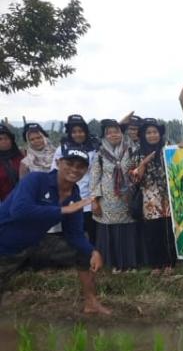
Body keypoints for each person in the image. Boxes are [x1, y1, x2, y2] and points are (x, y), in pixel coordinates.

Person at [0, 147, 110, 315]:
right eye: (69, 164)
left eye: (80, 166)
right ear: (58, 163)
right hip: (5, 246)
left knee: (83, 252)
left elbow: (74, 233)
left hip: (34, 243)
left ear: (85, 170)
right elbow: (19, 211)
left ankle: (91, 303)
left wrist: (93, 251)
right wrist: (63, 210)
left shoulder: (74, 195)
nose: (74, 169)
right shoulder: (36, 180)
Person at [130, 118, 177, 275]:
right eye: (148, 133)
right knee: (152, 233)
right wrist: (144, 163)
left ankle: (170, 263)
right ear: (143, 135)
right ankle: (156, 264)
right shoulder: (137, 153)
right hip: (149, 199)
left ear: (160, 133)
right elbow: (135, 178)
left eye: (155, 132)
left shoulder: (168, 149)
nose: (152, 135)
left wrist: (182, 148)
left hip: (168, 198)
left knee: (168, 232)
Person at [90, 119, 138, 273]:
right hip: (107, 200)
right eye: (109, 133)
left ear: (122, 133)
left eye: (116, 131)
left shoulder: (131, 150)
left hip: (126, 198)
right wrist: (94, 201)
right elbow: (94, 178)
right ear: (105, 136)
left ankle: (130, 264)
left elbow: (137, 170)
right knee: (111, 232)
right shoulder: (100, 154)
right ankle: (115, 264)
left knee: (127, 232)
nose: (113, 135)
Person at [52, 114, 100, 244]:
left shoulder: (94, 149)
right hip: (69, 199)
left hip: (89, 199)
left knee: (92, 233)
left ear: (86, 132)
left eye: (81, 131)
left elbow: (97, 175)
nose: (78, 134)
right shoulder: (62, 149)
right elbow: (55, 172)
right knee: (71, 234)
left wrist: (95, 199)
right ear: (69, 133)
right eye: (74, 132)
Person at [0, 124, 24, 202]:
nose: (3, 141)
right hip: (4, 202)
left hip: (24, 198)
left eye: (6, 138)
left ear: (11, 140)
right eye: (0, 139)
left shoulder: (21, 157)